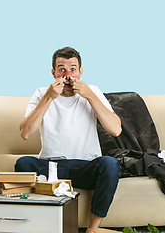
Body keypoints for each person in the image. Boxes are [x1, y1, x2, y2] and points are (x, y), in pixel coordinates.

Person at [15, 46, 122, 233]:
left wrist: (89, 95)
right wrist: (49, 97)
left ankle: (92, 230)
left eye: (73, 69)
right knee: (23, 163)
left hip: (86, 166)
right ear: (53, 73)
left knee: (110, 164)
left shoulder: (92, 91)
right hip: (51, 168)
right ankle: (35, 227)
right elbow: (25, 133)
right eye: (61, 69)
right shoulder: (42, 93)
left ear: (80, 72)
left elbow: (115, 130)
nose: (67, 75)